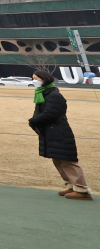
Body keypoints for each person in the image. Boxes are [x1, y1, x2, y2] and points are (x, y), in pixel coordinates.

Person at [28, 71, 91, 200]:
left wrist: (34, 121)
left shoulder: (54, 95)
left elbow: (51, 113)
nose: (34, 81)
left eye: (37, 78)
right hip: (50, 132)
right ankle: (71, 185)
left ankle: (82, 189)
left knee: (68, 160)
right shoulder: (42, 94)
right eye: (33, 78)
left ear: (44, 79)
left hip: (59, 131)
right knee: (57, 159)